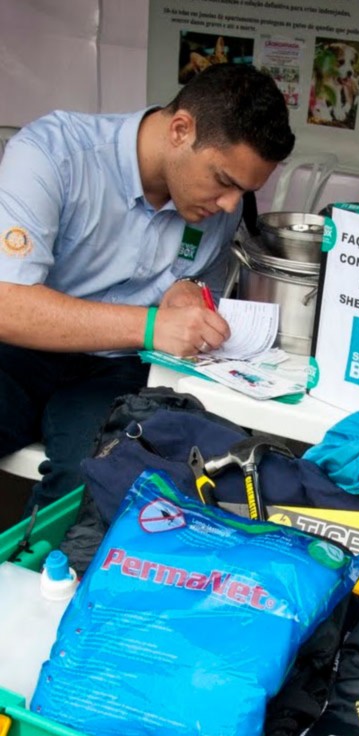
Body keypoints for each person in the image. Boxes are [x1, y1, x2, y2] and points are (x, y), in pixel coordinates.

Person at [0, 63, 295, 511]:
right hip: (21, 349)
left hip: (121, 368)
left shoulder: (222, 207)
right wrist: (153, 325)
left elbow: (199, 280)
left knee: (97, 480)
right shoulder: (53, 155)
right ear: (180, 130)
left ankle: (44, 558)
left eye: (244, 191)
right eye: (223, 181)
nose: (230, 204)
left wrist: (188, 288)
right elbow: (8, 303)